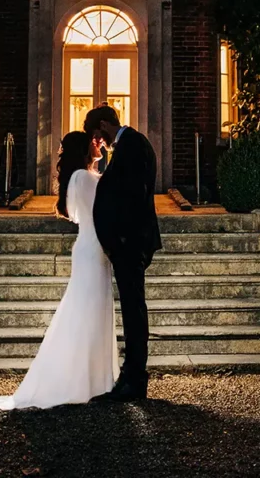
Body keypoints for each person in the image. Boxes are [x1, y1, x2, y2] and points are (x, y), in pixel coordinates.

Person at [0, 130, 116, 410]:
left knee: (93, 311)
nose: (98, 143)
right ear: (83, 149)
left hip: (92, 249)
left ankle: (96, 381)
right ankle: (83, 382)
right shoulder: (83, 178)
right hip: (92, 250)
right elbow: (103, 209)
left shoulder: (83, 177)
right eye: (93, 141)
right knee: (87, 312)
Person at [86, 103, 162, 401]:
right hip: (130, 241)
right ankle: (132, 377)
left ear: (104, 125)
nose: (98, 142)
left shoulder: (131, 145)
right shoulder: (132, 143)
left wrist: (120, 239)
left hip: (131, 242)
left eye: (97, 134)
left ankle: (134, 379)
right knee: (133, 307)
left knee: (133, 309)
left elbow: (131, 196)